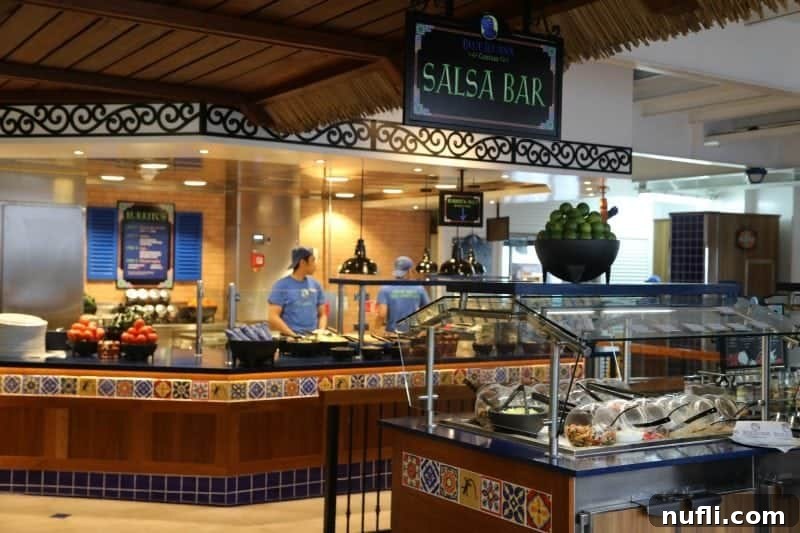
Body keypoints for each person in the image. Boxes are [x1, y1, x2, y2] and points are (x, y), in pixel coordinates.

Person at [268, 247, 327, 336]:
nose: (315, 265)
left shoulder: (316, 285)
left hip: (313, 338)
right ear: (302, 262)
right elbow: (273, 317)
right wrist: (293, 336)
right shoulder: (281, 285)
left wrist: (321, 332)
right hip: (290, 339)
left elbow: (323, 314)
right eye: (312, 261)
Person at [375, 256, 430, 334]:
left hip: (392, 333)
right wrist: (423, 329)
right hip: (413, 333)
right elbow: (428, 311)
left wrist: (375, 330)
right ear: (410, 270)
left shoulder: (385, 288)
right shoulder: (419, 288)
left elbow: (382, 314)